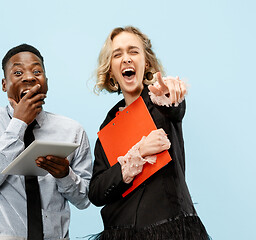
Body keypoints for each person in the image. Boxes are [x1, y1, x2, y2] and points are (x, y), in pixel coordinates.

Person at [88, 26, 210, 239]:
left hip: (169, 229)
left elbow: (174, 105)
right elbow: (97, 191)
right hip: (120, 232)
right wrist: (138, 154)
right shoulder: (107, 125)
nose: (126, 58)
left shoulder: (161, 104)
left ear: (147, 64)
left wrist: (172, 91)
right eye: (118, 54)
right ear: (111, 71)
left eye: (133, 51)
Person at [0, 43, 93, 240]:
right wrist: (18, 123)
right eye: (17, 72)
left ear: (46, 82)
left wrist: (64, 175)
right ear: (4, 84)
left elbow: (85, 200)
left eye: (37, 71)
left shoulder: (72, 131)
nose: (29, 77)